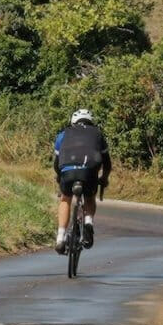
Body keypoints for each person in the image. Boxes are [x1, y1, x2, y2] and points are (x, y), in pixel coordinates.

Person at [52, 108, 111, 254]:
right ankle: (89, 222)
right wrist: (104, 179)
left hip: (67, 171)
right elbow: (107, 163)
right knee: (89, 196)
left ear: (73, 121)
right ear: (91, 121)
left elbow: (56, 163)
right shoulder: (98, 134)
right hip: (89, 172)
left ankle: (60, 238)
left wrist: (60, 178)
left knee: (65, 199)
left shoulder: (63, 134)